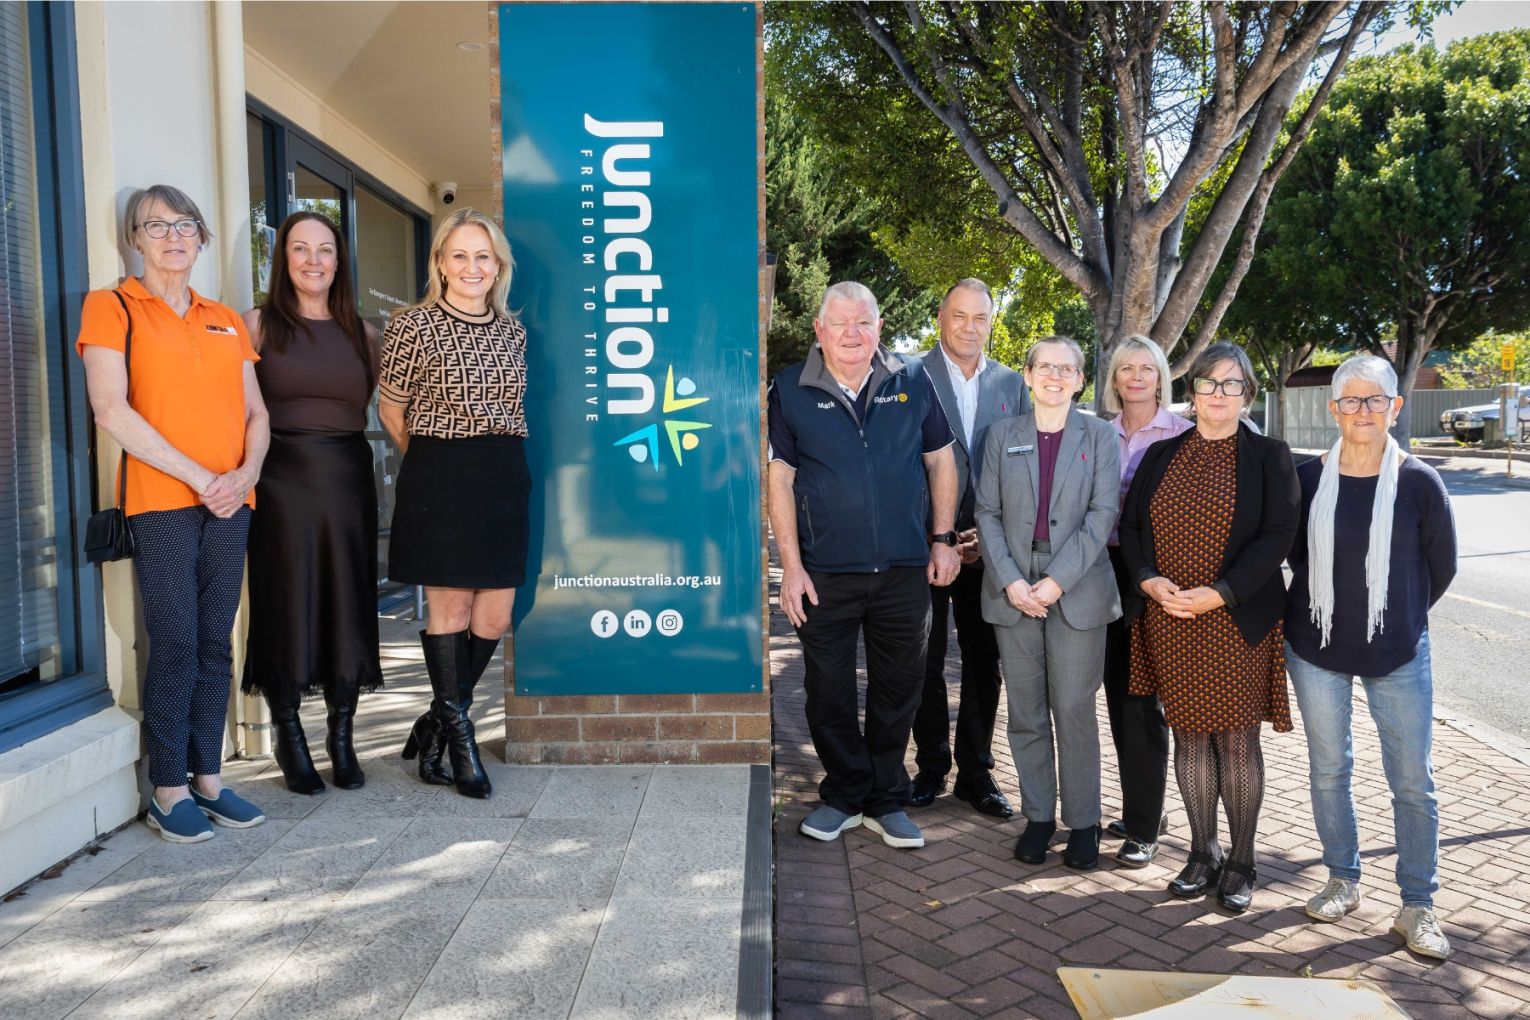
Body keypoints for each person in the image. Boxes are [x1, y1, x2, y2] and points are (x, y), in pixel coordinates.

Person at [77, 184, 269, 842]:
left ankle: (208, 778)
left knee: (218, 641)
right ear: (135, 238)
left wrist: (243, 475)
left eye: (185, 224)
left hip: (231, 503)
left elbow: (257, 414)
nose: (173, 236)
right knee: (178, 642)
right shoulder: (111, 307)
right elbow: (111, 411)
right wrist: (203, 478)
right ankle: (167, 787)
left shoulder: (225, 319)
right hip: (162, 505)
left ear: (202, 236)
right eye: (155, 226)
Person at [768, 281, 961, 851]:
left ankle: (885, 798)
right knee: (827, 691)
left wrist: (944, 539)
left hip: (904, 570)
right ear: (819, 330)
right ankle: (844, 794)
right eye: (840, 324)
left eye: (864, 323)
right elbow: (780, 478)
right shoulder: (791, 388)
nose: (852, 334)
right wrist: (791, 567)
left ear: (879, 327)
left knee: (898, 689)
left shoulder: (911, 379)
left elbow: (940, 459)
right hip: (825, 572)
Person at [1285, 355, 1458, 960]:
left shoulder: (1418, 482)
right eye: (1351, 401)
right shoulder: (1306, 480)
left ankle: (1418, 905)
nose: (1363, 411)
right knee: (1330, 770)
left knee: (1413, 782)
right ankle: (1343, 879)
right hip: (1316, 648)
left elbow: (1442, 569)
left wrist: (1395, 617)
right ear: (1334, 409)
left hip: (1399, 652)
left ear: (1395, 406)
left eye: (1375, 400)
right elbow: (1291, 560)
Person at [1119, 341, 1298, 913]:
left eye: (1232, 384)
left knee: (1237, 744)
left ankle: (1243, 861)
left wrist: (1219, 594)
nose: (1219, 395)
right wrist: (1148, 580)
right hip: (1171, 619)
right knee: (1190, 739)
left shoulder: (1270, 456)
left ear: (1247, 393)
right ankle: (1203, 852)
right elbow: (1133, 526)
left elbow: (1277, 538)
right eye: (1208, 383)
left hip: (1237, 622)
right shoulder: (1160, 455)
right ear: (1190, 391)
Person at [379, 208, 528, 800]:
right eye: (460, 255)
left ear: (498, 268)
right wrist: (433, 463)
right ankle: (459, 740)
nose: (472, 267)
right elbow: (391, 408)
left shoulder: (512, 331)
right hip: (439, 472)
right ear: (440, 262)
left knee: (494, 616)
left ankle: (437, 717)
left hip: (502, 475)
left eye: (483, 257)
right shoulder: (411, 325)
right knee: (451, 614)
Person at [240, 211, 383, 795]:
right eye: (300, 249)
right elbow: (240, 413)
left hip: (348, 477)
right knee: (286, 599)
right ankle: (288, 734)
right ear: (283, 260)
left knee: (348, 600)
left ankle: (342, 738)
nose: (313, 260)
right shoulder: (255, 326)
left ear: (339, 260)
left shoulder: (365, 333)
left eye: (325, 249)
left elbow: (380, 404)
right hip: (279, 480)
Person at [975, 337, 1121, 869]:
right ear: (1027, 375)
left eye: (1067, 369)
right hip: (1012, 587)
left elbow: (1102, 515)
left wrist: (1056, 580)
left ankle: (1084, 823)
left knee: (1074, 710)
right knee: (1027, 711)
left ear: (1081, 380)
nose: (1056, 376)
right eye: (1046, 367)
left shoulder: (1101, 436)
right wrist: (1012, 580)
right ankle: (1039, 816)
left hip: (1077, 586)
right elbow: (986, 513)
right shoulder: (1000, 436)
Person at [909, 279, 1029, 819]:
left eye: (980, 318)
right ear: (941, 318)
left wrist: (991, 534)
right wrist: (938, 535)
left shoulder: (1011, 384)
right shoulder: (908, 376)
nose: (970, 327)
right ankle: (931, 767)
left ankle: (976, 774)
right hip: (925, 544)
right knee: (923, 661)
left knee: (985, 663)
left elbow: (1021, 467)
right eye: (960, 316)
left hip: (990, 548)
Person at [1099, 337, 1193, 868]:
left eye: (1146, 368)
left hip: (1158, 577)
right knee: (1118, 695)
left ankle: (1142, 828)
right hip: (1101, 572)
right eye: (1125, 368)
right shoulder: (1096, 433)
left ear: (1161, 377)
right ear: (1113, 379)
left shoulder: (1183, 434)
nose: (1136, 377)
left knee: (1142, 701)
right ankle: (1144, 806)